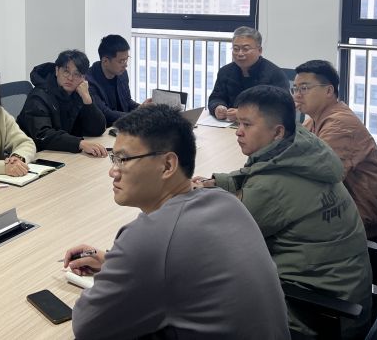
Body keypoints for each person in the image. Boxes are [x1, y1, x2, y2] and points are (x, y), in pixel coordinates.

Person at [63, 105, 290, 340]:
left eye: (123, 159)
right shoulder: (227, 202)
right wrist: (117, 262)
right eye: (114, 158)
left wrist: (123, 266)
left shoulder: (148, 237)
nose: (113, 171)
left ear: (168, 165)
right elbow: (181, 263)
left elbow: (87, 325)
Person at [196, 86, 371, 338]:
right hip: (345, 291)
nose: (239, 132)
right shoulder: (304, 150)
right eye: (238, 123)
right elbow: (259, 172)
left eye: (247, 125)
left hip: (311, 314)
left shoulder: (271, 189)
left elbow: (218, 238)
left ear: (277, 132)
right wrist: (218, 182)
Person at [293, 60, 377, 240]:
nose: (297, 95)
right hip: (340, 202)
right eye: (295, 89)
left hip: (360, 213)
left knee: (276, 224)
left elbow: (317, 176)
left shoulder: (339, 125)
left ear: (329, 91)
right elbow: (291, 147)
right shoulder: (315, 119)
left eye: (304, 88)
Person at [17, 49, 108, 156]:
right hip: (34, 155)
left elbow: (98, 129)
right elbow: (42, 135)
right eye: (66, 71)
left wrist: (88, 101)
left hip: (61, 152)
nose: (70, 78)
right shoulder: (39, 96)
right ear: (57, 71)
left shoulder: (79, 93)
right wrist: (79, 143)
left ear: (83, 78)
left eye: (77, 74)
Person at [208, 26, 289, 122]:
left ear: (260, 50)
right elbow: (216, 97)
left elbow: (282, 108)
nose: (240, 54)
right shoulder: (225, 71)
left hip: (262, 127)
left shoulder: (275, 74)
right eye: (236, 49)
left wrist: (244, 114)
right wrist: (218, 107)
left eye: (245, 49)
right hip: (228, 125)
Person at [86, 34, 151, 125]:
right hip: (103, 129)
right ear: (105, 61)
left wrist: (142, 108)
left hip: (121, 126)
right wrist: (137, 115)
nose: (125, 65)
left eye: (126, 59)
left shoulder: (122, 74)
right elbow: (105, 113)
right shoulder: (89, 81)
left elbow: (127, 101)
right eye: (121, 61)